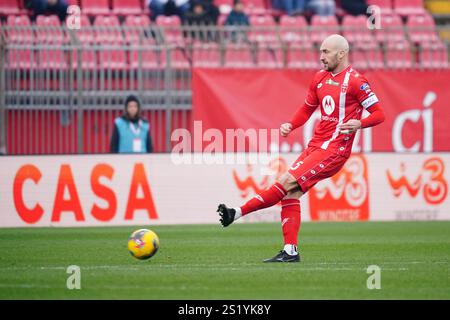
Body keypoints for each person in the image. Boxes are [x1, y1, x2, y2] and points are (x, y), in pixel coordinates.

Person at [217, 34, 385, 263]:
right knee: (291, 192)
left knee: (285, 181)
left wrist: (360, 123)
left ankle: (235, 212)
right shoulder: (319, 78)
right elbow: (307, 108)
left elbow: (379, 114)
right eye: (321, 51)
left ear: (341, 53)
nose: (321, 56)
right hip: (316, 145)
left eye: (326, 52)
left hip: (334, 149)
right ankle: (290, 251)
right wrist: (291, 124)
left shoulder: (357, 81)